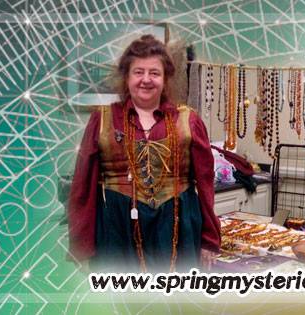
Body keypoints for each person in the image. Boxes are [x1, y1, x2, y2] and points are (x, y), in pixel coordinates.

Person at [67, 34, 220, 272]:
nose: (146, 80)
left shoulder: (188, 120)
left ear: (166, 78)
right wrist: (83, 245)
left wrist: (210, 239)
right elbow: (83, 187)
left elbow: (206, 183)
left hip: (178, 227)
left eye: (154, 73)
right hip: (118, 228)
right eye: (138, 72)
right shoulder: (103, 120)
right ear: (126, 76)